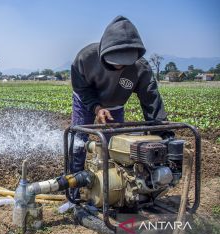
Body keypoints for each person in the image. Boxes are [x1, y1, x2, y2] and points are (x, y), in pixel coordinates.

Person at [70, 15, 172, 201]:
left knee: (115, 147)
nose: (118, 67)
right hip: (86, 101)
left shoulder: (141, 69)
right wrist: (97, 107)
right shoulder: (84, 58)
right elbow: (81, 88)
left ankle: (112, 191)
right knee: (78, 143)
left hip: (115, 105)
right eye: (115, 62)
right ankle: (73, 191)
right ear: (103, 52)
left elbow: (151, 99)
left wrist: (162, 130)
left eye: (124, 63)